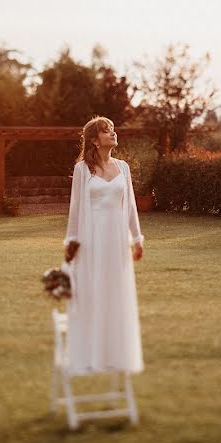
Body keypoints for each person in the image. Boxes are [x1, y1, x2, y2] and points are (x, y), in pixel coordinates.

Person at [63, 116, 144, 374]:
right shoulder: (82, 170)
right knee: (93, 291)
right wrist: (71, 241)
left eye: (112, 129)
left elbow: (129, 205)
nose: (113, 133)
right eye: (107, 131)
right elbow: (75, 209)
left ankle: (115, 354)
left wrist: (137, 238)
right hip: (91, 239)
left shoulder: (123, 167)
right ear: (95, 141)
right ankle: (92, 353)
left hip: (117, 240)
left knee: (116, 292)